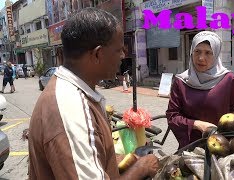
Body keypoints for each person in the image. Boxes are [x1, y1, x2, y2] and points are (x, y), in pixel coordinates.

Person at [28, 8, 159, 180]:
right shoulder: (71, 107)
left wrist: (120, 160)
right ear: (98, 54)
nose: (123, 55)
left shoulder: (74, 92)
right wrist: (142, 167)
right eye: (118, 50)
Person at [166, 31, 234, 149]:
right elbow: (172, 117)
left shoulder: (228, 79)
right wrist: (197, 124)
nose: (201, 58)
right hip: (191, 148)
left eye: (208, 53)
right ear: (191, 52)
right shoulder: (181, 81)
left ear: (216, 54)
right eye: (197, 52)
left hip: (222, 147)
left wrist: (228, 129)